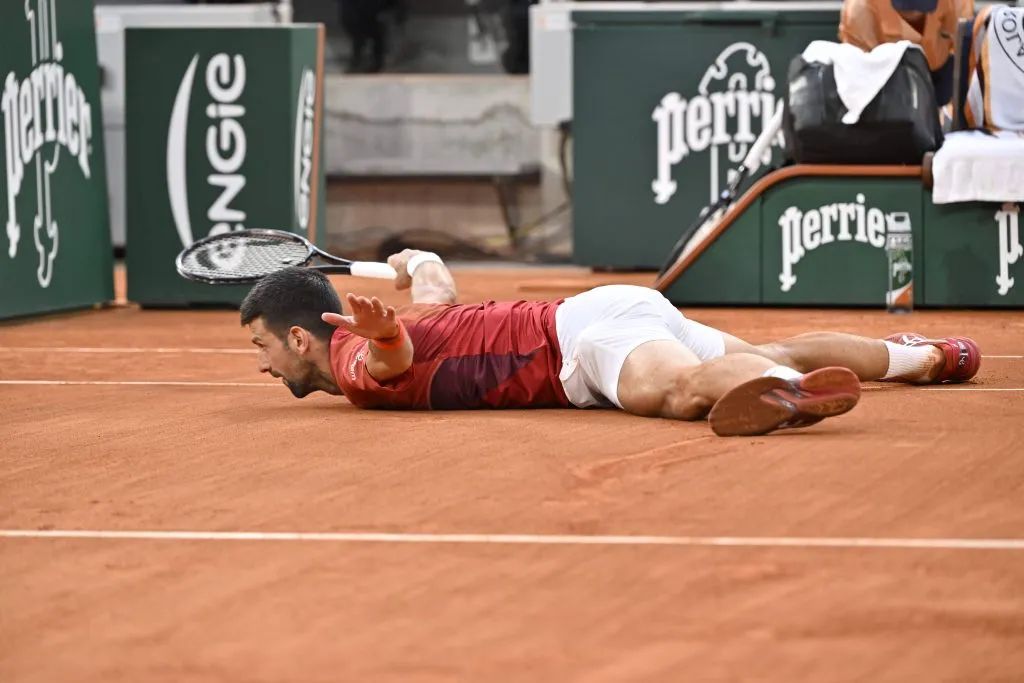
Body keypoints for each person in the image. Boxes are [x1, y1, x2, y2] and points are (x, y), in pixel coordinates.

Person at [238, 250, 981, 437]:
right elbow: (436, 291)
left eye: (263, 348)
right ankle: (926, 356)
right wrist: (414, 261)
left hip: (584, 344)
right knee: (776, 346)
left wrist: (387, 332)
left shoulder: (350, 364)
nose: (262, 364)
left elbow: (386, 362)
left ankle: (778, 393)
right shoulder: (418, 319)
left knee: (683, 391)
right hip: (613, 306)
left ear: (301, 335)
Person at [838, 0, 975, 107]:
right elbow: (861, 73)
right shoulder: (859, 9)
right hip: (885, 79)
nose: (915, 12)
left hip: (941, 72)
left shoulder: (958, 3)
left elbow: (964, 52)